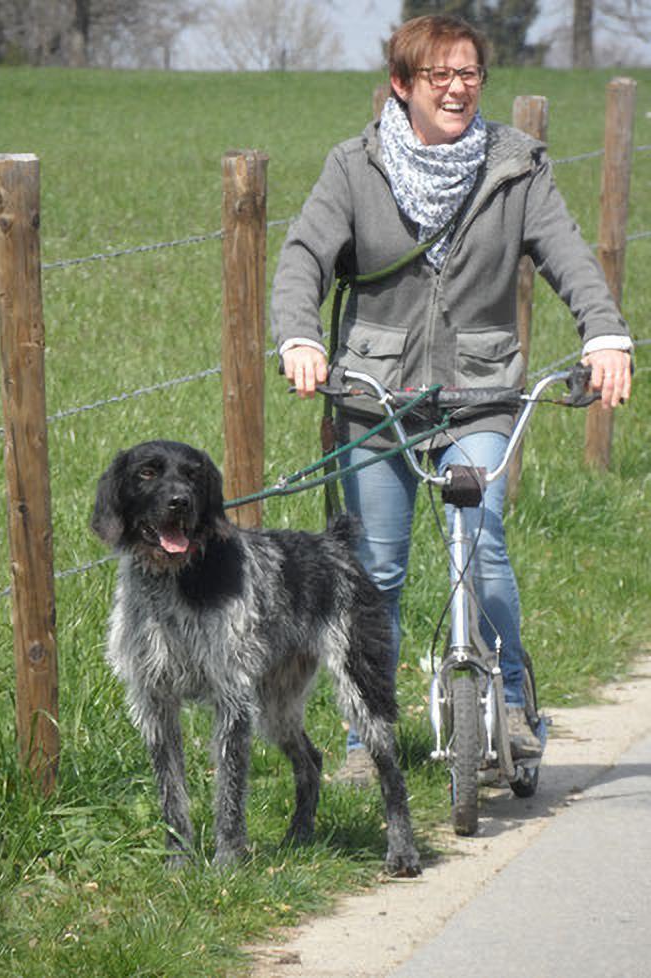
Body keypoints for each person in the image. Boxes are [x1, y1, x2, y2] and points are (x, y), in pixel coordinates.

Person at [270, 14, 633, 785]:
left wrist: (605, 335)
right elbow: (304, 254)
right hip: (376, 398)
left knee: (482, 547)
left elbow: (568, 252)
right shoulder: (354, 166)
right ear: (402, 86)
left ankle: (510, 707)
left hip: (481, 392)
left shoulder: (515, 166)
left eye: (469, 74)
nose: (458, 88)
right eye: (439, 76)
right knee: (378, 571)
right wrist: (300, 337)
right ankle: (370, 742)